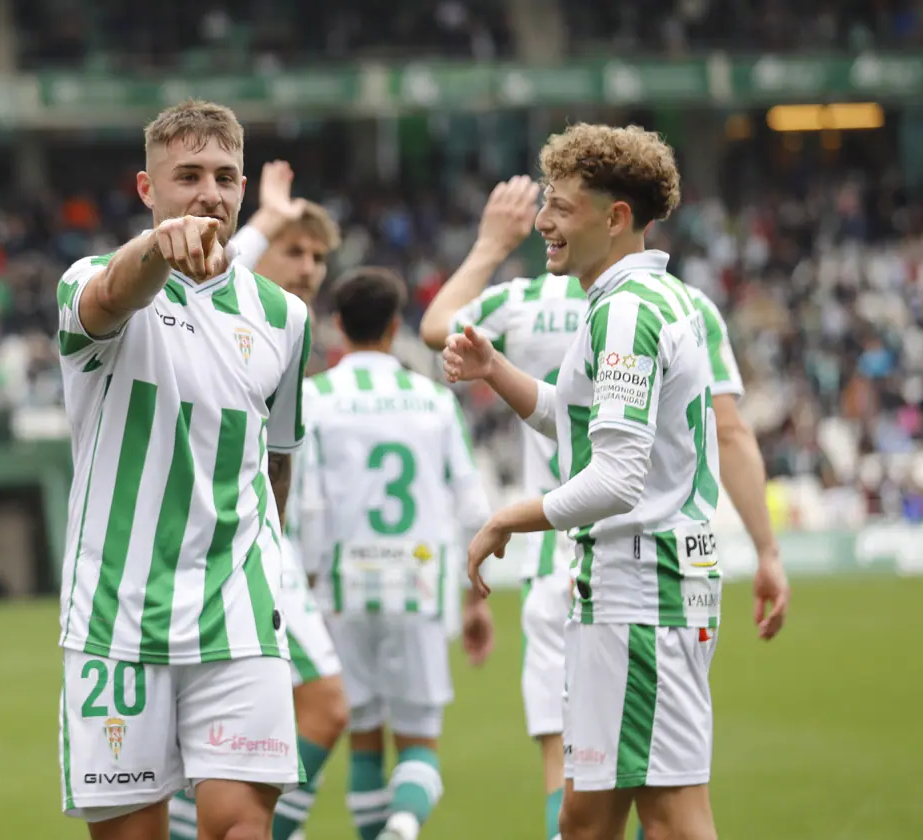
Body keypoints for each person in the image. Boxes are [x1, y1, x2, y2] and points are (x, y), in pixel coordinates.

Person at [443, 123, 787, 840]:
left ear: (616, 217)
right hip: (636, 591)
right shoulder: (643, 302)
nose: (543, 222)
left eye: (562, 208)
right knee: (585, 817)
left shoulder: (626, 312)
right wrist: (495, 370)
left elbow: (618, 479)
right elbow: (574, 428)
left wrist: (508, 518)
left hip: (643, 593)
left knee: (669, 818)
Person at [54, 99, 312, 840]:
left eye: (226, 177)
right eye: (188, 175)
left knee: (239, 828)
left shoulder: (284, 317)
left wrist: (269, 571)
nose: (209, 192)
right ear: (147, 189)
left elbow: (279, 464)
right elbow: (111, 296)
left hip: (237, 609)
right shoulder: (94, 282)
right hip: (116, 614)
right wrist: (156, 251)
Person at [167, 161, 347, 840]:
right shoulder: (201, 306)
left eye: (318, 256)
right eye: (292, 250)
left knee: (274, 728)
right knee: (326, 706)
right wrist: (266, 212)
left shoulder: (284, 331)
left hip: (269, 559)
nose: (307, 267)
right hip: (209, 554)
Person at [296, 267, 495, 840]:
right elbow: (470, 505)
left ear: (337, 326)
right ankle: (403, 827)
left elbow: (306, 504)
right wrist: (475, 600)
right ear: (394, 325)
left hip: (342, 585)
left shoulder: (316, 398)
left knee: (362, 734)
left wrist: (307, 584)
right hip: (418, 584)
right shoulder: (433, 401)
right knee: (417, 738)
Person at [419, 176, 587, 840]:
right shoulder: (670, 300)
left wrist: (491, 244)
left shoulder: (522, 301)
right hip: (644, 546)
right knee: (647, 772)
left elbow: (437, 328)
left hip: (553, 548)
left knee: (562, 757)